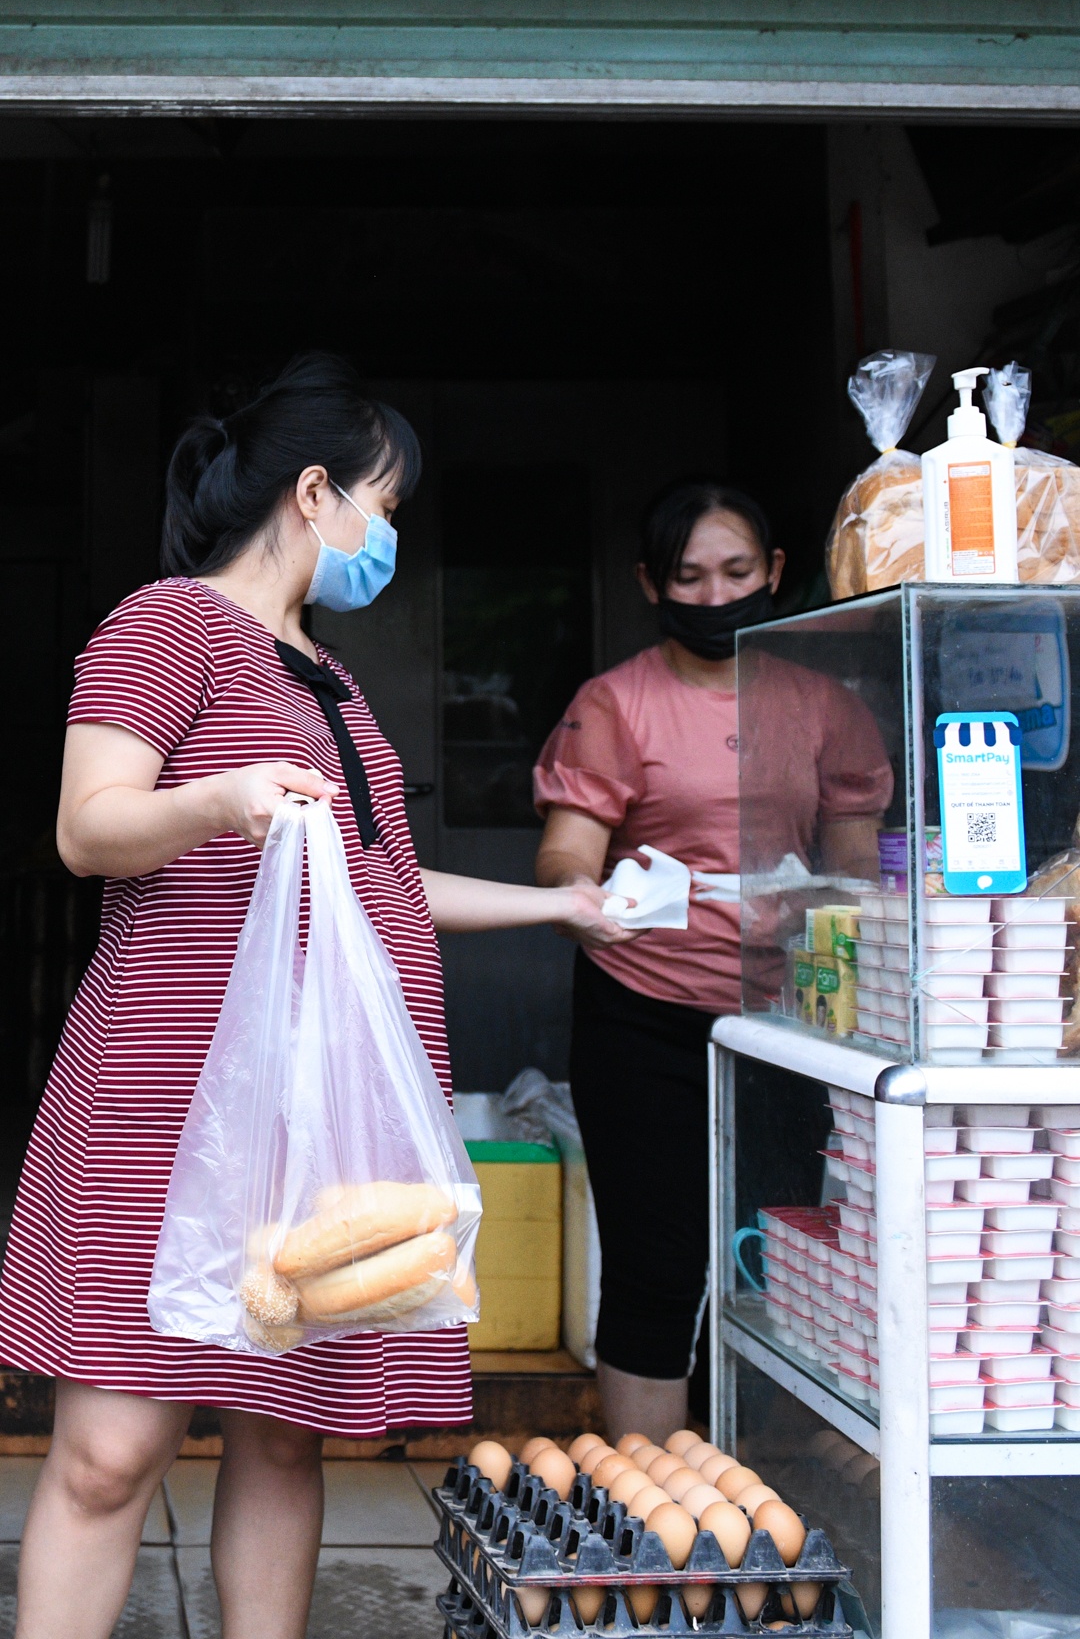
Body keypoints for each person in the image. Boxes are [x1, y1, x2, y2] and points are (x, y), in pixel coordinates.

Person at [2, 353, 626, 1639]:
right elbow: (87, 827)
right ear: (315, 492)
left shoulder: (326, 675)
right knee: (112, 1449)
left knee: (287, 1440)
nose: (385, 536)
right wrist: (218, 799)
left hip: (321, 1115)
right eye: (383, 507)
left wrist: (562, 904)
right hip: (166, 1103)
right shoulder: (165, 624)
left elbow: (385, 883)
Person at [534, 478, 892, 1443]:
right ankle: (649, 1515)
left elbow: (858, 872)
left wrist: (830, 903)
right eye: (688, 577)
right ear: (653, 584)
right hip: (641, 1010)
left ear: (775, 573)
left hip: (789, 1023)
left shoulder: (825, 707)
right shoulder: (616, 703)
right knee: (657, 1264)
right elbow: (566, 857)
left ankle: (763, 1487)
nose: (714, 594)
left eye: (736, 571)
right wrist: (591, 901)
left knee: (773, 1255)